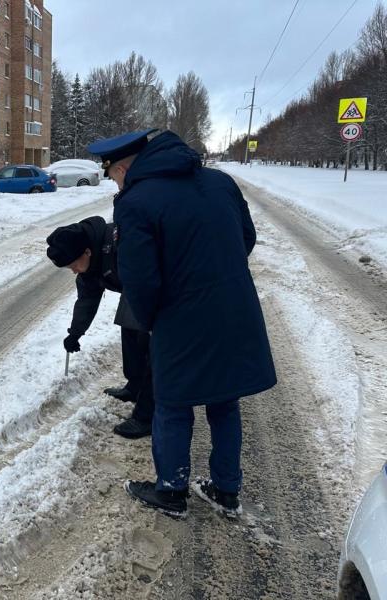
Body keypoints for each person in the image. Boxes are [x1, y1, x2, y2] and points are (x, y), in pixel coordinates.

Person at [87, 129, 277, 519]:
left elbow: (140, 278)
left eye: (112, 175)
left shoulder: (135, 202)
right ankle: (226, 490)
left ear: (121, 167)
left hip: (180, 316)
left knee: (172, 404)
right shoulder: (221, 181)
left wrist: (151, 318)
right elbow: (246, 237)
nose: (115, 182)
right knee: (224, 401)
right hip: (235, 308)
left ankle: (171, 491)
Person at [45, 216, 154, 439]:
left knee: (152, 351)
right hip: (132, 292)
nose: (74, 271)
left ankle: (147, 416)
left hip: (154, 291)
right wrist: (74, 334)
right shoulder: (90, 262)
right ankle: (134, 386)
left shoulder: (121, 245)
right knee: (130, 335)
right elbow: (87, 300)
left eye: (74, 265)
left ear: (87, 252)